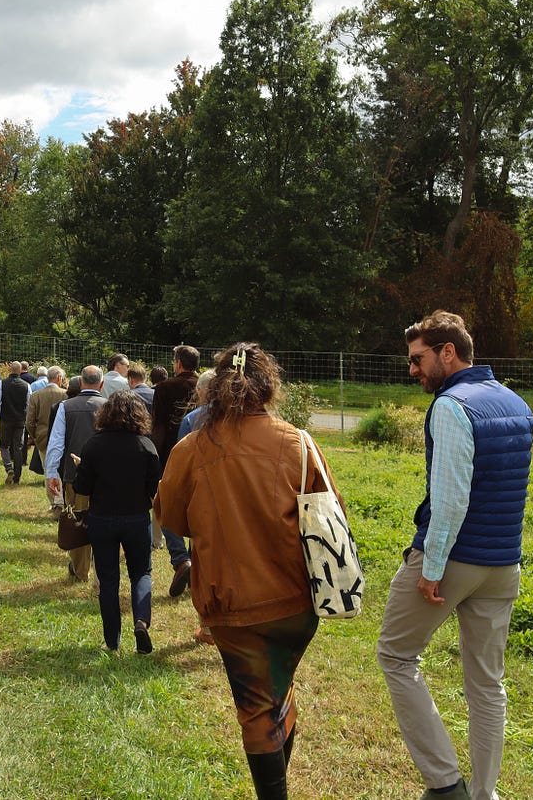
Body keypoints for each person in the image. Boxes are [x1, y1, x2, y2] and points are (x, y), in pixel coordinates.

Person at [156, 343, 332, 800]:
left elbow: (171, 518)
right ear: (269, 385)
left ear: (213, 388)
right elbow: (332, 515)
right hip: (297, 601)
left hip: (232, 604)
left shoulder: (192, 448)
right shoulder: (299, 441)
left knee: (256, 706)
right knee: (277, 690)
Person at [378, 311, 533, 800]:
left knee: (396, 655)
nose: (413, 370)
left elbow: (450, 499)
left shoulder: (451, 406)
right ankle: (485, 794)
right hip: (503, 563)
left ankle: (445, 784)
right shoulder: (516, 402)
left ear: (449, 352)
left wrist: (432, 564)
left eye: (418, 359)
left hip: (455, 560)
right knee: (487, 686)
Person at [73, 390, 162, 653]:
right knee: (141, 573)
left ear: (106, 413)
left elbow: (82, 488)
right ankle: (141, 620)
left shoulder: (94, 444)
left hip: (102, 518)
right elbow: (153, 487)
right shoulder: (146, 445)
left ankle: (112, 641)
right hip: (136, 518)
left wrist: (82, 467)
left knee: (109, 580)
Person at [44, 366, 108, 583]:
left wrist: (52, 474)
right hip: (104, 476)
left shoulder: (66, 407)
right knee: (103, 521)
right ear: (101, 385)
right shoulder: (110, 406)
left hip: (75, 475)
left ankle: (81, 571)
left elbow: (56, 444)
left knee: (78, 519)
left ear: (80, 383)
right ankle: (101, 570)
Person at [151, 344, 200, 597]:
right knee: (200, 509)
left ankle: (181, 561)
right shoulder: (206, 387)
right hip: (203, 460)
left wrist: (152, 457)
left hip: (171, 456)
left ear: (178, 363)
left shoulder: (164, 387)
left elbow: (158, 426)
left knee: (167, 507)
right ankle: (197, 563)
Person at [26, 366, 68, 479]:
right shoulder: (66, 394)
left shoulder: (36, 396)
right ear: (59, 378)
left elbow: (29, 422)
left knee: (48, 472)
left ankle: (53, 496)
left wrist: (35, 435)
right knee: (62, 471)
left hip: (42, 437)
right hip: (63, 438)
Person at [0, 362, 31, 484]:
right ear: (20, 371)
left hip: (6, 419)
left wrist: (0, 414)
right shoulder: (26, 385)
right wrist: (25, 416)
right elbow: (29, 404)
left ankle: (8, 467)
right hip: (20, 420)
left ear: (9, 370)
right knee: (18, 447)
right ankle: (17, 477)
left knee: (4, 446)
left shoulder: (1, 384)